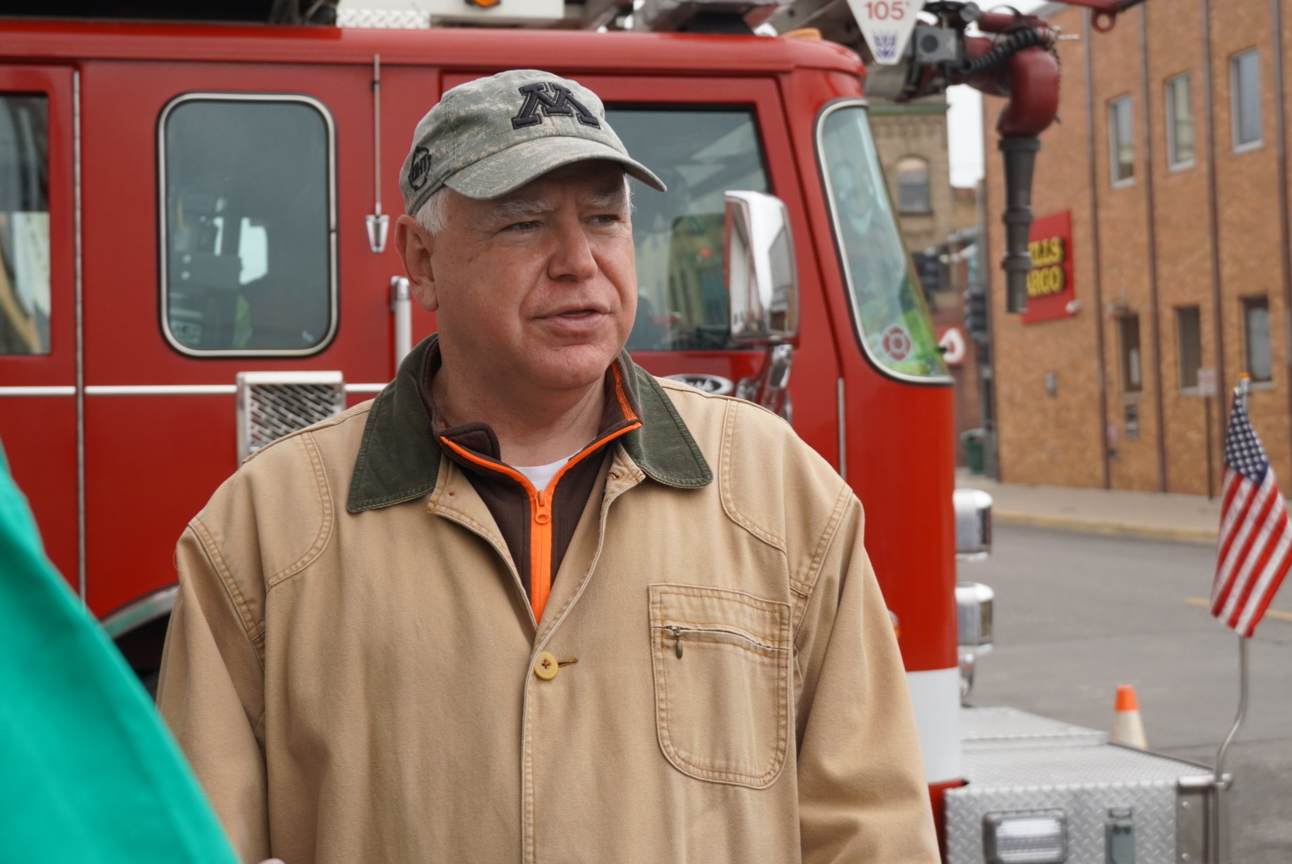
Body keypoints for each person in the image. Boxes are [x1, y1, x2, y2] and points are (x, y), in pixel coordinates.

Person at [157, 69, 939, 864]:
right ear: (421, 261)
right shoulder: (266, 528)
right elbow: (187, 844)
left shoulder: (783, 496)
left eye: (605, 218)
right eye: (525, 223)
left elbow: (874, 834)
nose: (578, 261)